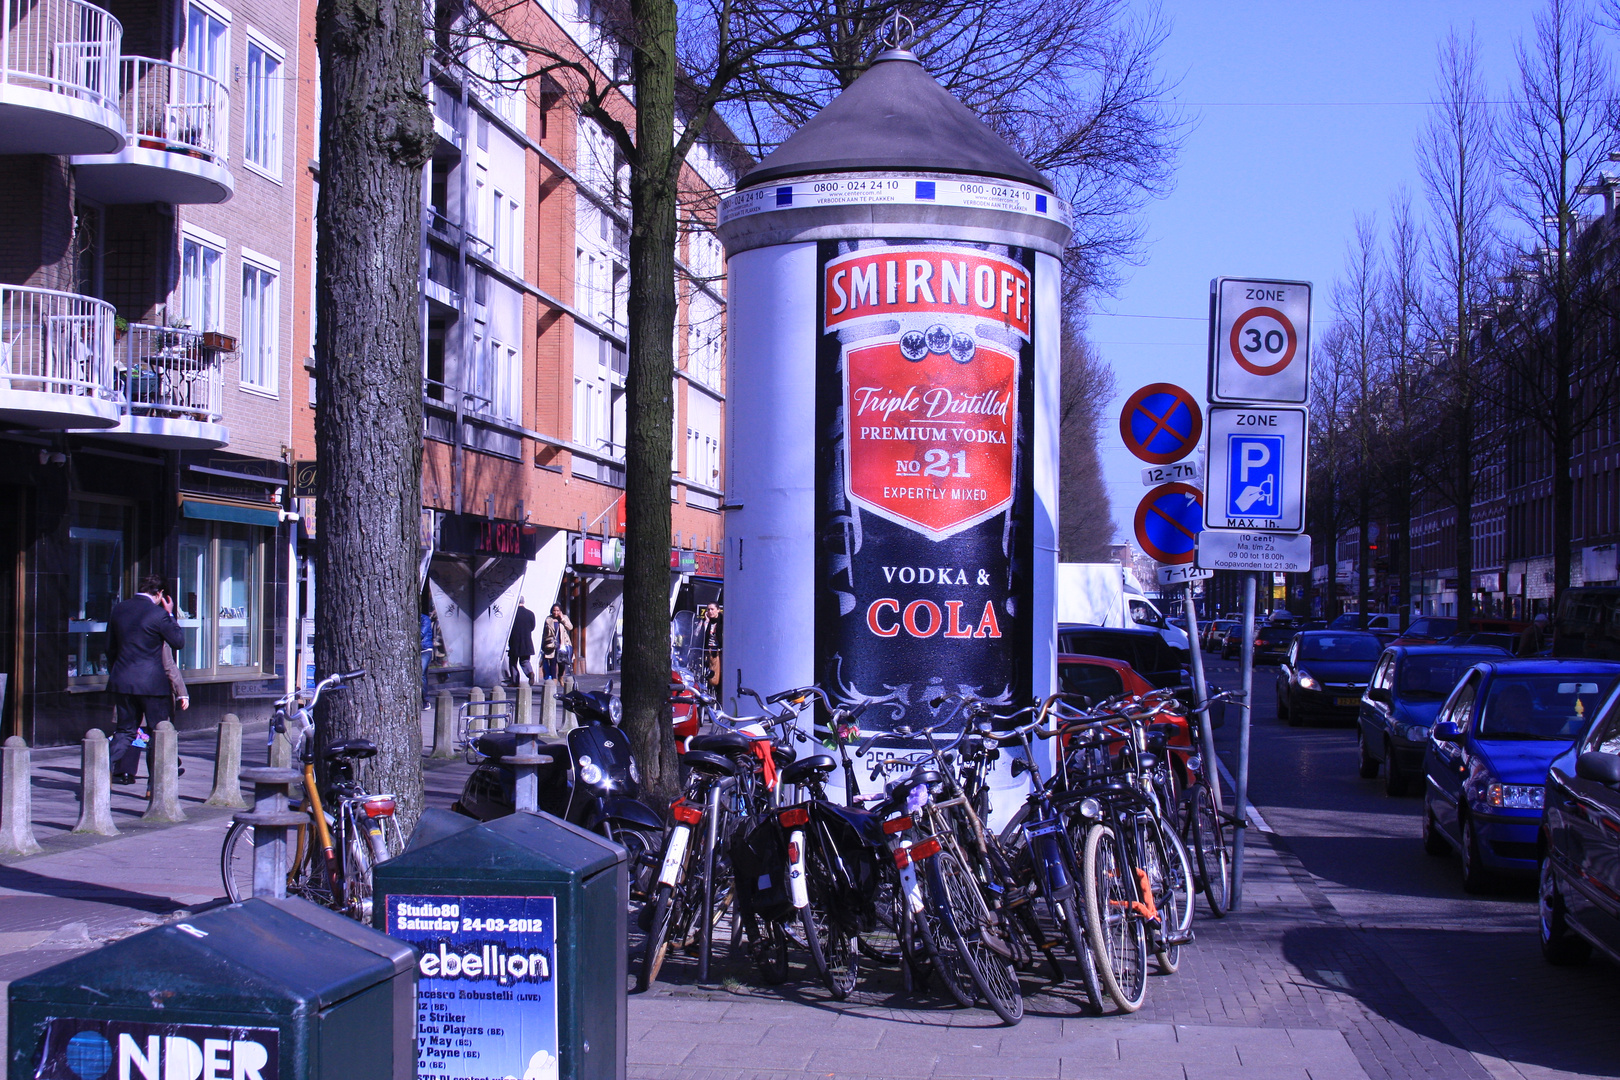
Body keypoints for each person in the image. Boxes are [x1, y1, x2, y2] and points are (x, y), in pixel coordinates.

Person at [106, 574, 185, 786]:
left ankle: (98, 770)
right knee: (157, 733)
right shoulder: (158, 614)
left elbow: (110, 648)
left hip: (122, 681)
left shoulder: (119, 609)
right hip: (152, 685)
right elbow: (178, 642)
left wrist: (118, 672)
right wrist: (169, 615)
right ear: (160, 594)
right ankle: (154, 786)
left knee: (124, 732)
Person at [508, 597, 537, 685]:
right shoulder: (530, 614)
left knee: (513, 662)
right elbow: (532, 627)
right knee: (525, 661)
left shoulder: (512, 613)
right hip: (526, 641)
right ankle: (530, 673)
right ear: (524, 602)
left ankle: (515, 681)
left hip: (514, 641)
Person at [541, 604, 573, 682]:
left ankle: (560, 676)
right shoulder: (548, 619)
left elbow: (570, 627)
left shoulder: (564, 618)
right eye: (554, 610)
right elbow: (544, 633)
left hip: (562, 644)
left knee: (562, 662)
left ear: (560, 611)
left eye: (557, 610)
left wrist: (562, 618)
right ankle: (554, 679)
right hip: (552, 644)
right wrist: (545, 643)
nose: (556, 612)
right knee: (552, 661)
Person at [696, 603, 722, 690]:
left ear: (718, 610)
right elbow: (697, 634)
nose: (710, 611)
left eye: (712, 609)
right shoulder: (705, 621)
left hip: (719, 651)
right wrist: (706, 622)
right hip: (707, 650)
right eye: (708, 609)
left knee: (718, 674)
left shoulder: (723, 621)